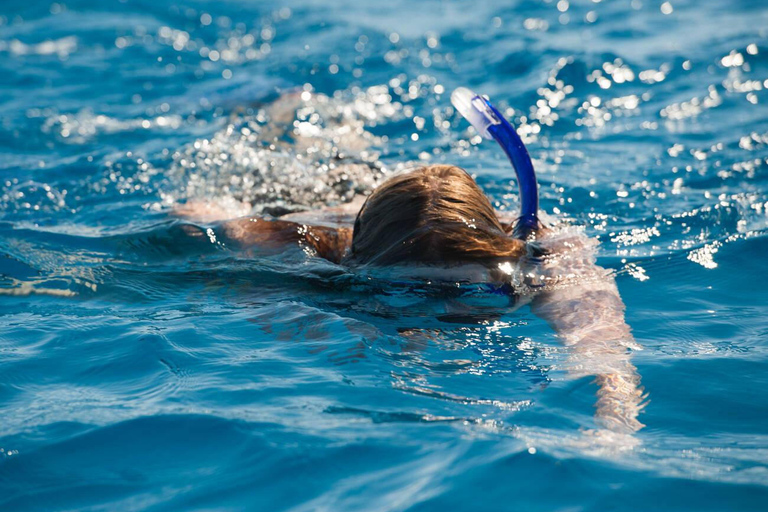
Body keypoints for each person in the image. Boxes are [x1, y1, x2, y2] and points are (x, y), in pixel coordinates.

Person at [175, 89, 646, 438]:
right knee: (318, 163)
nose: (438, 318)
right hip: (321, 205)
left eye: (469, 291)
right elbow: (204, 216)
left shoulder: (552, 255)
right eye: (407, 290)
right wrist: (334, 340)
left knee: (354, 162)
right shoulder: (304, 242)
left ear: (505, 258)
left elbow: (604, 350)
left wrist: (613, 428)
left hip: (386, 220)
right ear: (355, 265)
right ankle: (292, 111)